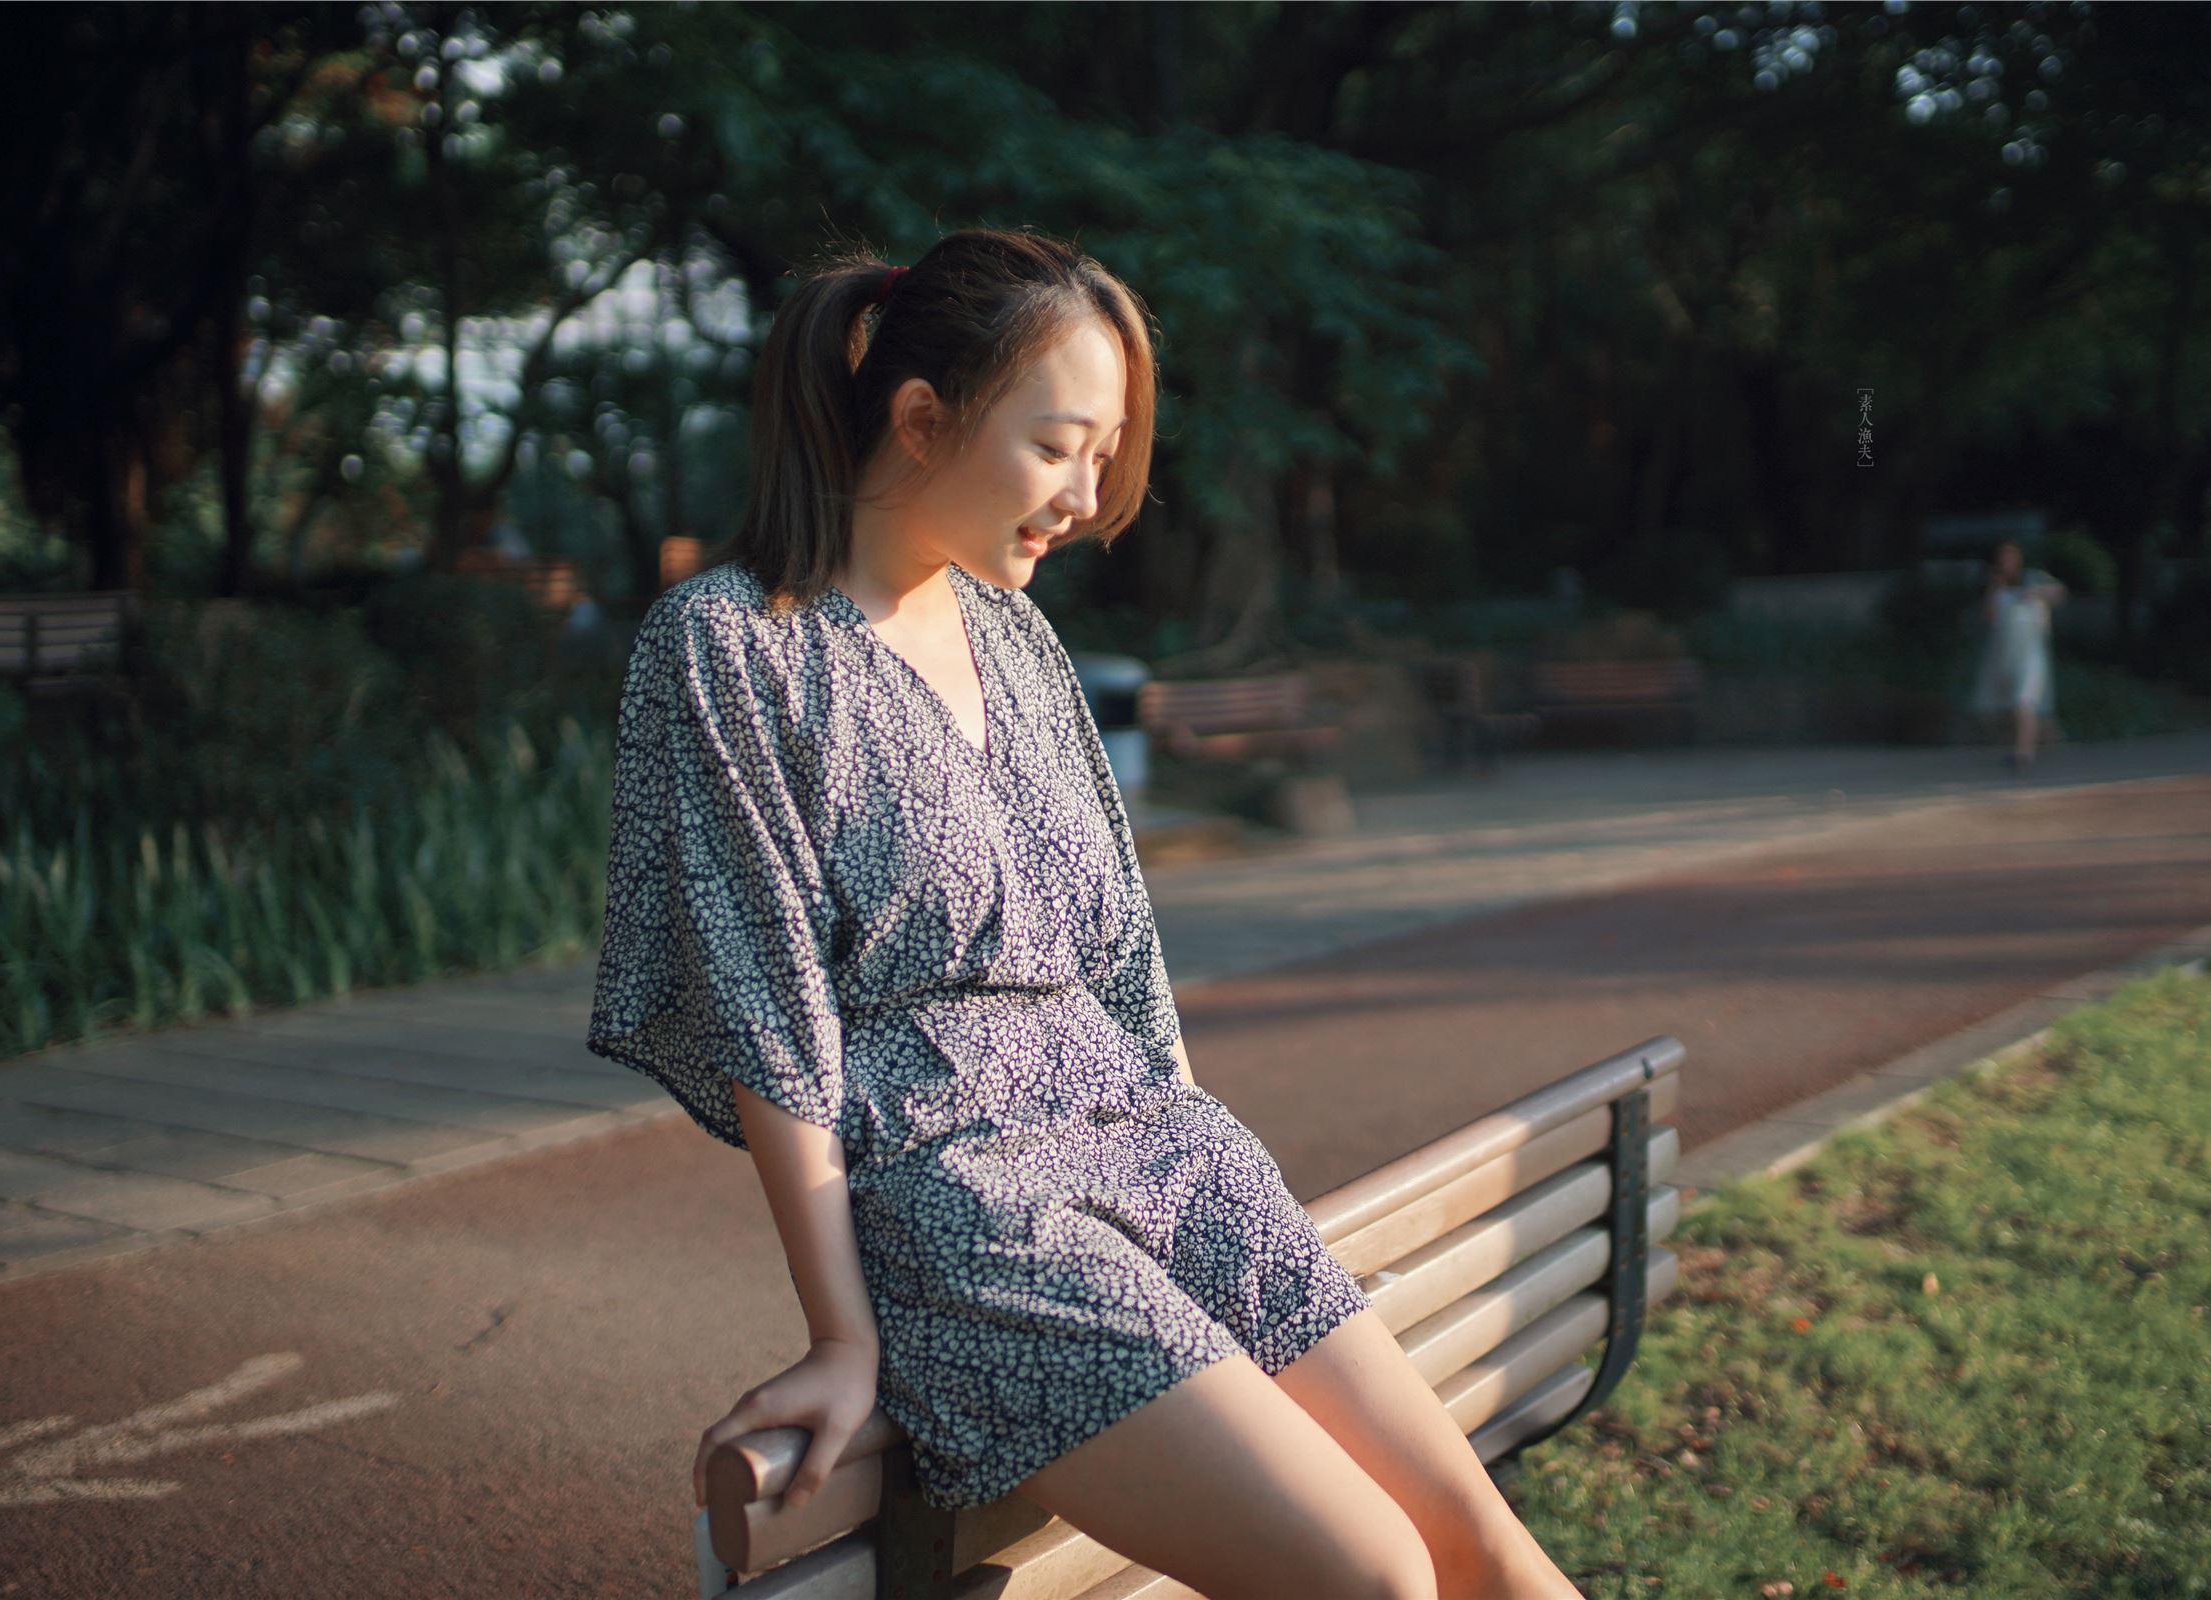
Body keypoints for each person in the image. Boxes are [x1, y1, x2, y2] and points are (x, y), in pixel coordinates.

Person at [584, 228, 1584, 1600]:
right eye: (1060, 447)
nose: (1089, 495)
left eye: (1106, 455)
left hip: (1156, 1148)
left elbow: (1120, 956)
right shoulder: (732, 646)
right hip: (962, 1198)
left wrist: (1202, 1161)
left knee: (1483, 1547)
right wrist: (843, 1336)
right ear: (922, 419)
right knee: (1377, 1578)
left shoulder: (1016, 634)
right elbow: (774, 1016)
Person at [1968, 539, 2065, 771]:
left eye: (2011, 557)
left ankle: (2024, 755)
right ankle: (2051, 740)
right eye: (2003, 558)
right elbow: (1989, 617)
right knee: (2018, 708)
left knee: (2025, 702)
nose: (2008, 563)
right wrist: (1995, 588)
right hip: (2004, 655)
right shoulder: (1997, 587)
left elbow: (2060, 594)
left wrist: (2038, 592)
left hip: (2031, 655)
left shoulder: (2034, 578)